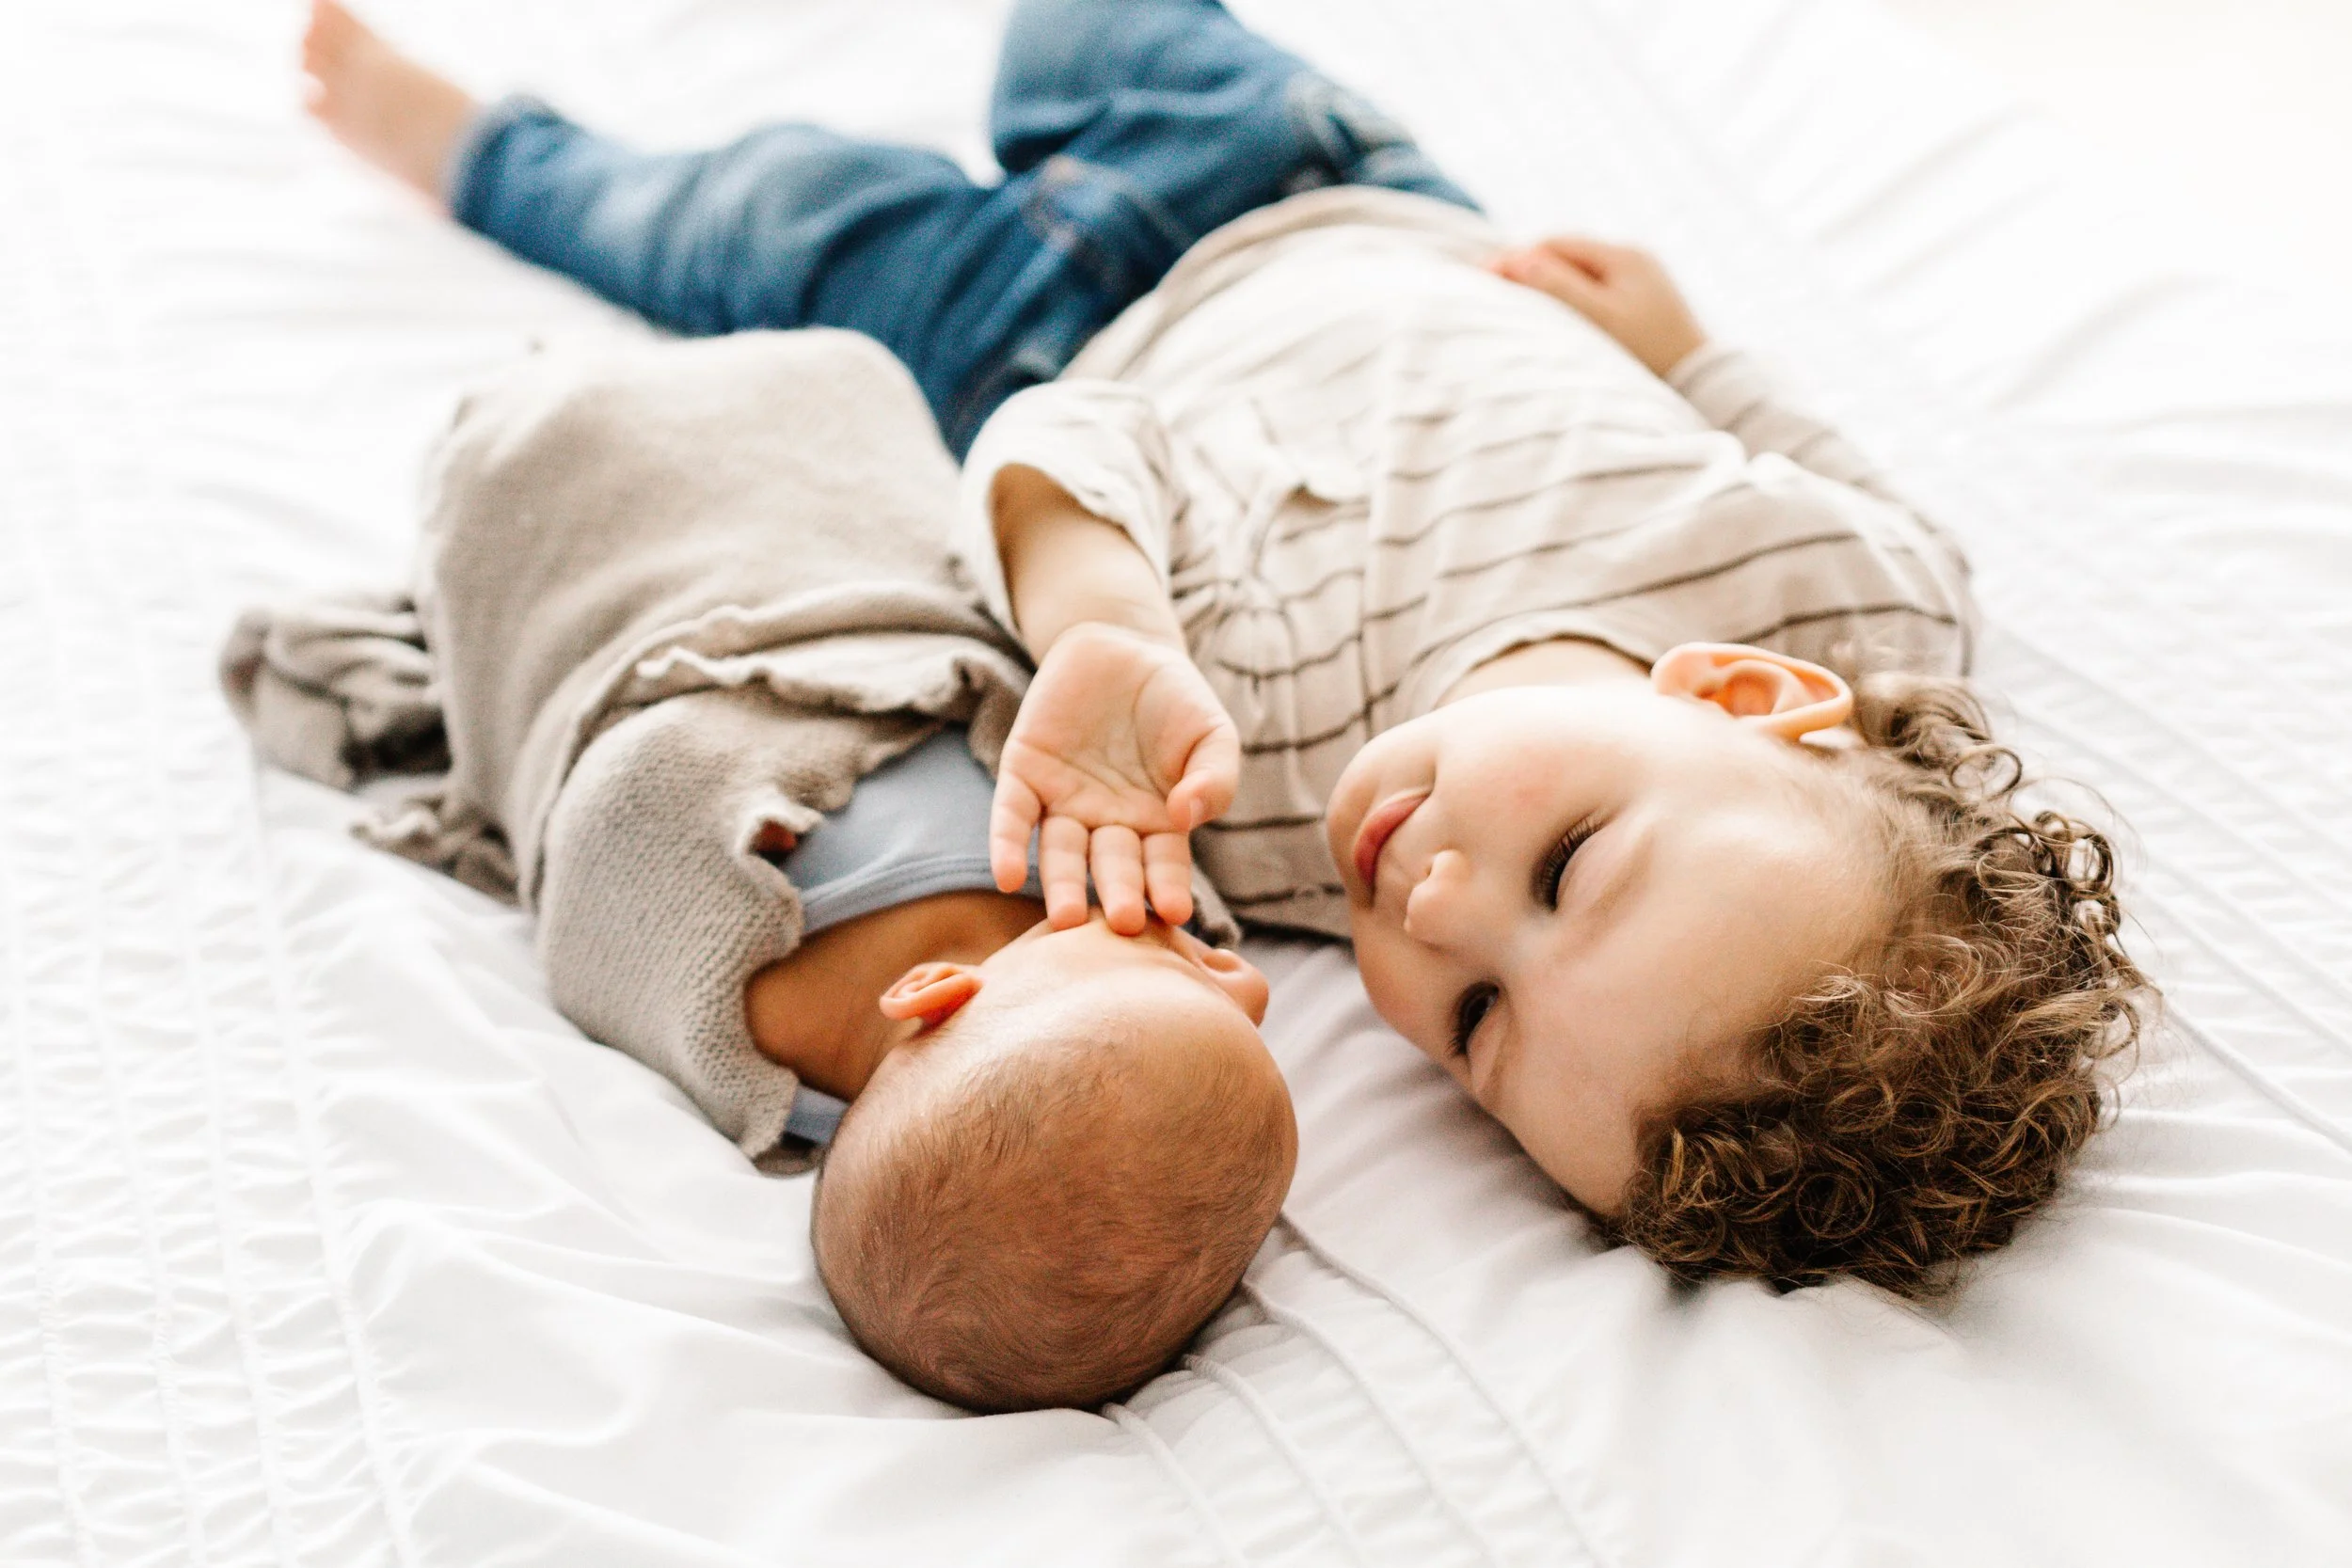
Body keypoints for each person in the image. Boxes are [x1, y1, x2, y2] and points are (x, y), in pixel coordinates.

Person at [301, 0, 2149, 1295]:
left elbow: (1059, 443)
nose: (1426, 898)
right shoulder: (1854, 603)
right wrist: (1680, 351)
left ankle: (474, 145)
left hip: (1025, 326)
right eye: (1565, 863)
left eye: (1482, 1023)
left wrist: (1097, 624)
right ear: (1748, 700)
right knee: (1085, 28)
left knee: (744, 220)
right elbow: (1848, 477)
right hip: (1324, 189)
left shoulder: (1233, 805)